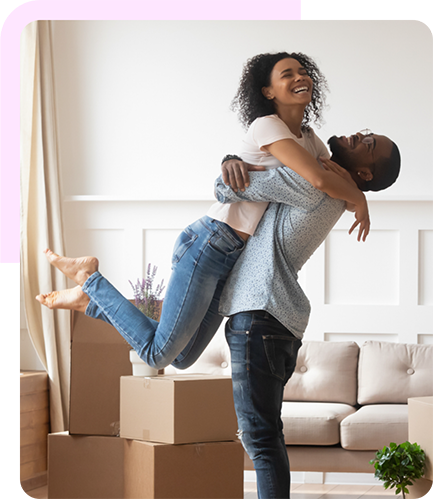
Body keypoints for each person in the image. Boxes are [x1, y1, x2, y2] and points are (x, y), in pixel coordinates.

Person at [36, 52, 370, 372]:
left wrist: (347, 189)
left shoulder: (311, 140)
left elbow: (327, 176)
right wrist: (360, 199)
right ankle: (90, 279)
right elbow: (317, 179)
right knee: (157, 355)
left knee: (181, 358)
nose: (300, 77)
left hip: (233, 257)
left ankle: (91, 301)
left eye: (302, 71)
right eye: (288, 74)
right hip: (210, 243)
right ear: (268, 91)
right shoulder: (268, 126)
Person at [214, 131, 401, 499]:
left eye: (368, 144)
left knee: (261, 439)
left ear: (363, 173)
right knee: (266, 437)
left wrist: (228, 162)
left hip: (260, 313)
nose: (360, 135)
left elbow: (227, 189)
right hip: (275, 321)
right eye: (367, 133)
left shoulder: (314, 181)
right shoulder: (330, 186)